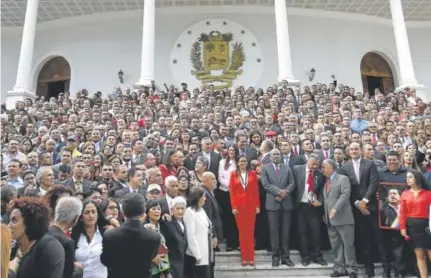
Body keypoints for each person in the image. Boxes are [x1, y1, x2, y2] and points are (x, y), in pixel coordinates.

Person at [339, 142, 387, 276]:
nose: (354, 151)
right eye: (351, 149)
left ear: (360, 150)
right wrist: (358, 203)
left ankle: (386, 267)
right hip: (357, 208)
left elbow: (374, 182)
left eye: (356, 149)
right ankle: (368, 267)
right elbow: (347, 187)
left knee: (378, 238)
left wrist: (365, 201)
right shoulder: (345, 167)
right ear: (348, 152)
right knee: (364, 238)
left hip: (371, 206)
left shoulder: (369, 164)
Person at [101, 193, 160, 278]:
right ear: (143, 211)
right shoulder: (154, 237)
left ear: (122, 211)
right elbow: (152, 257)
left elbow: (105, 260)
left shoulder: (110, 235)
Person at [8, 197, 65, 278]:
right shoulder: (13, 248)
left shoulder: (49, 247)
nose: (9, 226)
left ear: (29, 221)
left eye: (14, 221)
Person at [321, 159, 357, 278]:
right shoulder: (326, 182)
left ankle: (352, 269)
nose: (322, 169)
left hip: (343, 218)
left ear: (331, 168)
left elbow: (345, 194)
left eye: (323, 167)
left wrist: (335, 209)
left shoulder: (343, 179)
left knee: (348, 244)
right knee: (336, 245)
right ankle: (339, 268)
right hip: (330, 220)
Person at [260, 148, 296, 267]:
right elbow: (265, 184)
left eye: (278, 154)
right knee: (274, 231)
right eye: (274, 154)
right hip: (272, 203)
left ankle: (286, 257)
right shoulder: (265, 168)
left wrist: (285, 192)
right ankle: (275, 257)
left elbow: (292, 183)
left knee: (286, 232)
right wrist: (279, 192)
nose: (276, 156)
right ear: (269, 157)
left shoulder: (287, 167)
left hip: (286, 203)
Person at [291, 153, 327, 266]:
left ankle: (317, 256)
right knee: (303, 232)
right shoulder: (297, 170)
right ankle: (305, 256)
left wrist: (320, 201)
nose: (315, 167)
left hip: (314, 207)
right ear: (307, 162)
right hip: (300, 206)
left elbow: (322, 190)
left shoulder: (320, 174)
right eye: (313, 164)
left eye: (317, 165)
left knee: (316, 232)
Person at [229, 154, 260, 266]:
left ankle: (251, 257)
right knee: (242, 232)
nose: (242, 163)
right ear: (237, 163)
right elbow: (232, 192)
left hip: (251, 206)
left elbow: (256, 190)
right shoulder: (233, 174)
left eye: (245, 161)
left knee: (250, 232)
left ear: (247, 163)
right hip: (239, 206)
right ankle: (244, 257)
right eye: (241, 161)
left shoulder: (252, 174)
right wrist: (234, 207)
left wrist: (257, 206)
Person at [400, 170, 431, 278]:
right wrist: (402, 228)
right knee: (420, 255)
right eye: (407, 177)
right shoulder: (405, 194)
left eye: (410, 177)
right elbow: (402, 212)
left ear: (417, 178)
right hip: (412, 226)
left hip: (426, 226)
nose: (407, 179)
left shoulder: (428, 194)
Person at [71, 199, 113, 278]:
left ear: (98, 214)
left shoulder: (106, 233)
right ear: (81, 217)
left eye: (93, 212)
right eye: (87, 212)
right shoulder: (75, 236)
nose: (91, 216)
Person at [48, 196, 83, 278]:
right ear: (75, 218)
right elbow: (68, 274)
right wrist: (78, 269)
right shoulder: (67, 242)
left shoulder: (43, 232)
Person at [184, 186, 212, 278]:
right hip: (196, 255)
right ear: (198, 198)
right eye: (203, 196)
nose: (205, 198)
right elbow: (190, 234)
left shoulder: (201, 210)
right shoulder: (189, 212)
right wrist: (197, 254)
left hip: (206, 252)